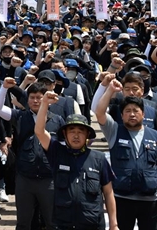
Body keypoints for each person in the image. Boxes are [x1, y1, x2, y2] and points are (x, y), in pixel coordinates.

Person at [34, 92, 118, 230]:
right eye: (71, 130)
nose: (76, 135)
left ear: (87, 136)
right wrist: (44, 104)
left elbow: (108, 193)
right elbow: (39, 131)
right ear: (65, 135)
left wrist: (114, 224)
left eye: (81, 131)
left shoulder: (99, 158)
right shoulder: (56, 152)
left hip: (92, 224)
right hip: (63, 223)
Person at [0, 79, 64, 230]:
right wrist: (4, 88)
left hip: (49, 179)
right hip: (25, 179)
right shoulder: (19, 116)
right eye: (32, 97)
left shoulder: (57, 120)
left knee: (52, 223)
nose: (35, 100)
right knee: (24, 223)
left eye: (39, 97)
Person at [95, 79, 157, 230]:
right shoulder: (114, 131)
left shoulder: (155, 135)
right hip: (121, 199)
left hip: (150, 200)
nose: (132, 114)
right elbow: (99, 112)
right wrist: (110, 90)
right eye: (127, 111)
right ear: (122, 116)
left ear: (143, 114)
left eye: (136, 111)